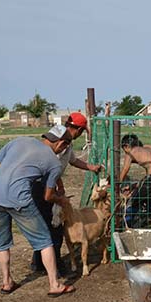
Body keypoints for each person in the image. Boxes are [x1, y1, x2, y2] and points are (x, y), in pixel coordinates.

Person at [0, 134, 75, 297]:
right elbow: (48, 196)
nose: (63, 151)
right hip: (18, 197)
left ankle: (7, 282)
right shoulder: (53, 162)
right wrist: (60, 200)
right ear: (61, 143)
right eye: (64, 147)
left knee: (1, 241)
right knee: (44, 240)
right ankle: (54, 285)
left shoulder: (19, 140)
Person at [29, 112, 103, 273]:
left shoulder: (66, 143)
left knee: (45, 224)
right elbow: (52, 166)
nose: (81, 134)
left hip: (47, 184)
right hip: (44, 186)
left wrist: (91, 167)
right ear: (76, 128)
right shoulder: (61, 141)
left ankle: (39, 263)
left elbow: (73, 160)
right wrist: (59, 185)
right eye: (82, 131)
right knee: (54, 226)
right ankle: (53, 265)